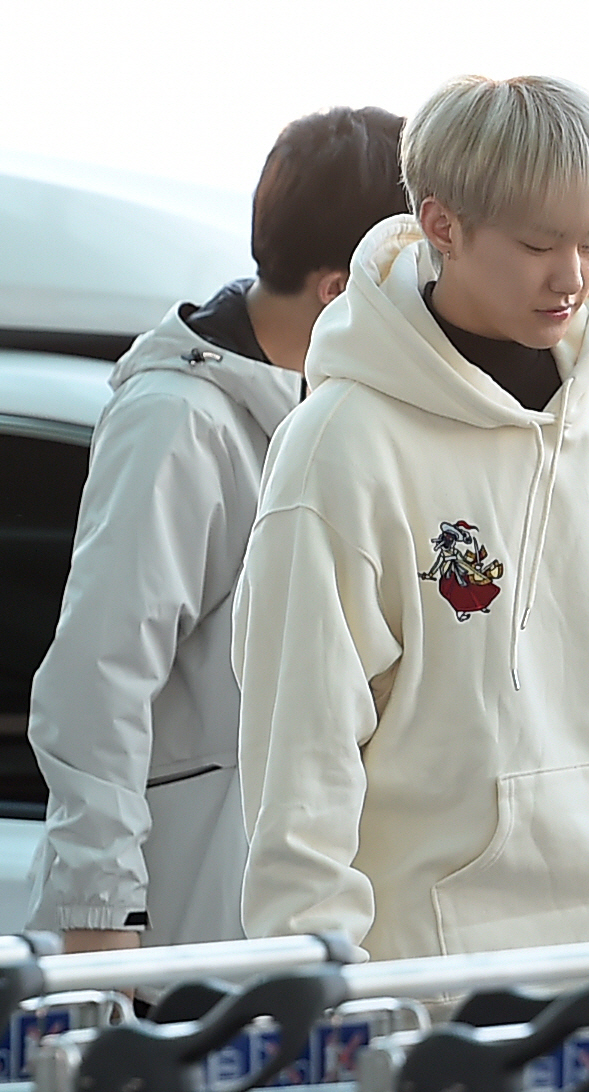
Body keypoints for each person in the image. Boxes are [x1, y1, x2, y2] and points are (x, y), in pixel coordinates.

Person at [233, 75, 589, 969]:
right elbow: (301, 738)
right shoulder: (344, 443)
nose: (572, 275)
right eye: (539, 243)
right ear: (442, 225)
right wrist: (312, 969)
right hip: (431, 978)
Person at [26, 106, 407, 953]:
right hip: (179, 931)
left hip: (291, 927)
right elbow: (98, 680)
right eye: (414, 269)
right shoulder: (179, 421)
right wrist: (99, 915)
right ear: (339, 290)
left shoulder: (340, 416)